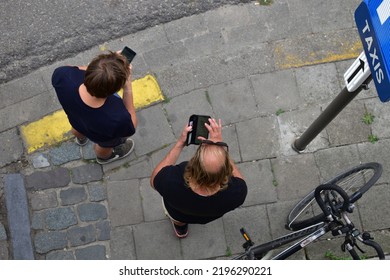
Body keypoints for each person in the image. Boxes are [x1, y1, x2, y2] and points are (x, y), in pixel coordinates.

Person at [150, 118, 247, 238]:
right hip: (206, 217)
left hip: (177, 212)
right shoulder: (237, 193)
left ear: (193, 164)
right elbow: (239, 179)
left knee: (177, 218)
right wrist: (220, 149)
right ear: (226, 170)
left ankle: (181, 228)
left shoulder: (171, 181)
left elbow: (154, 179)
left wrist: (180, 143)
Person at [52, 51, 138, 164]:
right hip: (99, 134)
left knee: (78, 128)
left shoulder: (62, 76)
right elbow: (131, 127)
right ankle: (104, 158)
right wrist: (128, 87)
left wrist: (103, 68)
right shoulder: (117, 117)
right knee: (105, 145)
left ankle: (81, 139)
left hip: (76, 120)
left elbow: (76, 69)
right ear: (116, 89)